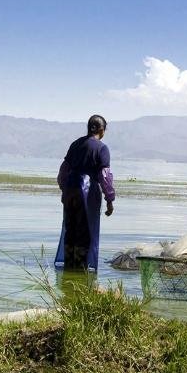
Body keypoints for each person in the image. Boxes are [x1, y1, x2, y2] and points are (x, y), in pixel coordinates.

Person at [55, 115, 115, 271]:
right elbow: (104, 175)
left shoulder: (75, 144)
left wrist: (65, 190)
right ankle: (80, 272)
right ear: (102, 130)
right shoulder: (102, 148)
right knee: (85, 231)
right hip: (87, 191)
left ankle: (69, 268)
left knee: (71, 229)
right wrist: (109, 199)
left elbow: (63, 171)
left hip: (70, 188)